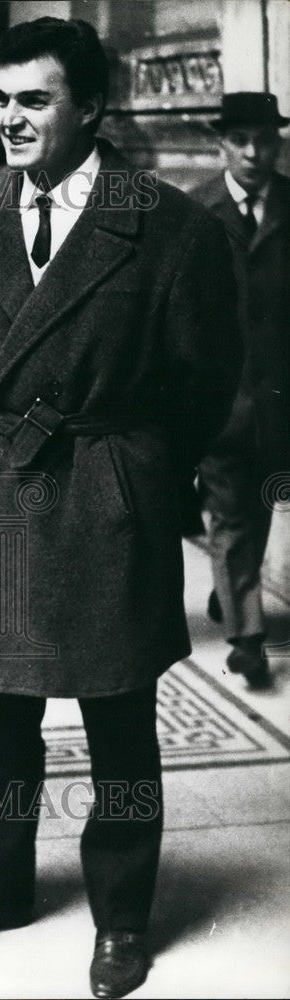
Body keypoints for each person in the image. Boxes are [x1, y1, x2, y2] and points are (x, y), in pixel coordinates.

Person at [0, 17, 242, 1000]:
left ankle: (123, 914)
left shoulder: (173, 228)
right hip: (6, 482)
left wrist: (132, 472)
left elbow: (206, 384)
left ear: (93, 107)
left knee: (120, 720)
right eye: (1, 100)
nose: (8, 119)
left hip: (104, 491)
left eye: (34, 100)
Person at [194, 92, 289, 688]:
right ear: (221, 144)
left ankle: (231, 592)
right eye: (241, 140)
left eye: (266, 140)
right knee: (231, 514)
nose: (254, 152)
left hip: (284, 399)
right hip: (222, 402)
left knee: (258, 509)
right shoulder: (195, 214)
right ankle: (248, 640)